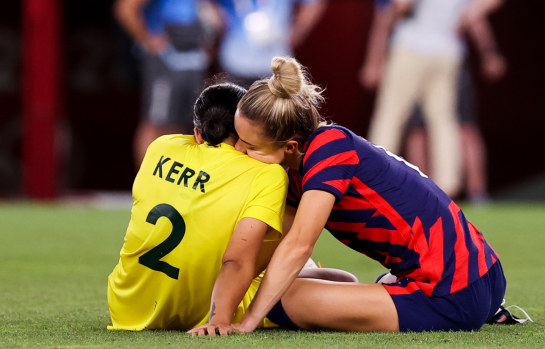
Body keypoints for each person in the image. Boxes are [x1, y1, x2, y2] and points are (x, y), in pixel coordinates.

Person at [189, 57, 507, 334]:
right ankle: (381, 292)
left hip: (452, 293)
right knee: (274, 285)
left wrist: (247, 321)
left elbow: (298, 245)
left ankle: (392, 296)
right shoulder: (302, 164)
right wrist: (219, 304)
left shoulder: (329, 150)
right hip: (482, 273)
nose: (239, 151)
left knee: (279, 301)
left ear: (288, 147)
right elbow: (269, 246)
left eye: (250, 146)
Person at [107, 82, 290, 331]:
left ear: (197, 133)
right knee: (308, 272)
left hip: (127, 306)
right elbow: (237, 261)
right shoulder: (267, 174)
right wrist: (219, 321)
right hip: (210, 309)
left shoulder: (161, 147)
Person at [360, 0, 475, 197]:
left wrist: (375, 58)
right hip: (447, 49)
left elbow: (401, 4)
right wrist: (467, 16)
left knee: (390, 115)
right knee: (443, 119)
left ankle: (374, 178)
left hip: (412, 46)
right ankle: (448, 183)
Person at [404, 0, 507, 203]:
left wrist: (488, 52)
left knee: (462, 128)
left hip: (448, 60)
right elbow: (394, 14)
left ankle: (476, 193)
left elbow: (474, 16)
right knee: (417, 131)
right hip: (415, 57)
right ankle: (422, 191)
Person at [114, 0, 213, 168]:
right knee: (156, 122)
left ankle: (169, 184)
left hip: (192, 59)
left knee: (182, 125)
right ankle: (146, 184)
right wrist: (147, 39)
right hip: (165, 60)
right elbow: (125, 9)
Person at [208, 0, 326, 88]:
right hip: (234, 63)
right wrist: (217, 20)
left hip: (277, 65)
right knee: (232, 116)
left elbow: (314, 4)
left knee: (275, 118)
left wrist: (297, 32)